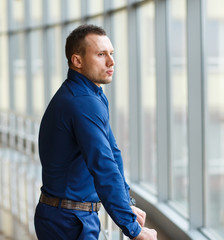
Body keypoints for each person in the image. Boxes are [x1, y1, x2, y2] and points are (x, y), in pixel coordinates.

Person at [34, 24, 157, 240]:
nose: (111, 61)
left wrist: (127, 205)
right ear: (77, 61)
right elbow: (103, 166)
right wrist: (134, 230)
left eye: (111, 54)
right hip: (68, 222)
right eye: (101, 54)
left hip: (72, 216)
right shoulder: (82, 102)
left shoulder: (91, 95)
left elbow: (113, 153)